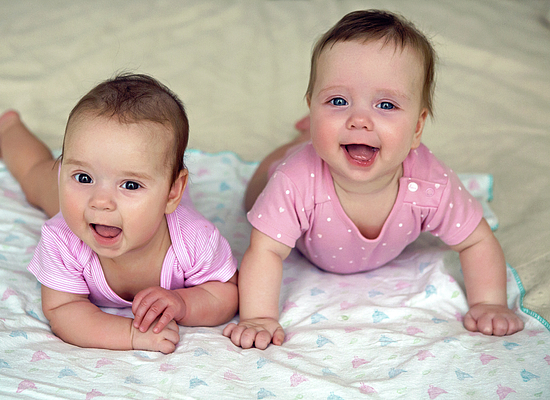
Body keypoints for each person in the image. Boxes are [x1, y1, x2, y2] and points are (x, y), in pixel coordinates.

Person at [223, 10, 523, 350]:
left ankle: (314, 130)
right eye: (338, 101)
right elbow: (265, 251)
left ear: (418, 128)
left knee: (322, 142)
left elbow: (476, 241)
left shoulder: (431, 184)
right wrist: (259, 317)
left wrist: (489, 303)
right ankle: (302, 138)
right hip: (283, 176)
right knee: (255, 192)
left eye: (386, 105)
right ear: (312, 105)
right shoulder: (293, 180)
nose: (360, 120)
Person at [0, 74, 238, 354]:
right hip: (70, 201)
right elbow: (63, 309)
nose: (100, 201)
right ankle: (9, 128)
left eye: (130, 184)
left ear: (172, 193)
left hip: (163, 203)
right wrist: (129, 334)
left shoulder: (194, 240)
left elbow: (225, 293)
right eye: (82, 177)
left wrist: (184, 303)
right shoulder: (63, 239)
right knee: (36, 179)